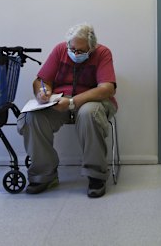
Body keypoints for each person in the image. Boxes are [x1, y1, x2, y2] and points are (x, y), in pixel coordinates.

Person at [17, 23, 117, 197]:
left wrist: (73, 102)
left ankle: (96, 175)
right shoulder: (60, 50)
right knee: (32, 117)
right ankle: (44, 174)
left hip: (92, 101)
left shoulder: (103, 53)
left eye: (81, 51)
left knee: (88, 113)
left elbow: (107, 88)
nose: (75, 54)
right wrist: (42, 92)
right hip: (60, 101)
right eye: (72, 48)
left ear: (92, 47)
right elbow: (41, 80)